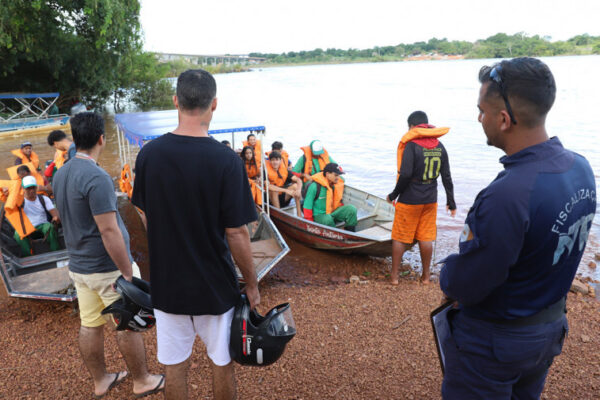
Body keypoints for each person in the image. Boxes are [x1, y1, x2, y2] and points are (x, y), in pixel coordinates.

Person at [439, 57, 596, 399]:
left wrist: (446, 272)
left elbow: (469, 284)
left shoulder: (507, 194)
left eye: (482, 110)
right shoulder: (580, 168)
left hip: (496, 344)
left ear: (504, 119)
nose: (479, 118)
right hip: (548, 330)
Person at [131, 69, 260, 400]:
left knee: (175, 366)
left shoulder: (149, 154)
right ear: (213, 104)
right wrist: (253, 283)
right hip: (214, 285)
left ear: (176, 101)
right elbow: (237, 234)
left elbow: (143, 212)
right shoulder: (226, 161)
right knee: (222, 363)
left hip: (168, 284)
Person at [53, 112, 164, 399]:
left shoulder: (62, 172)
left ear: (75, 140)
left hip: (79, 265)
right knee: (127, 324)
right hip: (105, 267)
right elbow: (109, 231)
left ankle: (101, 381)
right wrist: (126, 272)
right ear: (102, 138)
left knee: (90, 324)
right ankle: (142, 380)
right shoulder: (97, 176)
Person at [386, 111, 456, 285]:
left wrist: (393, 195)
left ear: (412, 126)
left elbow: (406, 174)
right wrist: (451, 201)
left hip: (410, 199)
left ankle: (394, 277)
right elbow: (446, 176)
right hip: (430, 199)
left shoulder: (411, 145)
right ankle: (425, 277)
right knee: (425, 237)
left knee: (400, 237)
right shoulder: (439, 146)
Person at [11, 175, 60, 256]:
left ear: (36, 187)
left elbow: (54, 213)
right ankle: (28, 257)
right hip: (27, 228)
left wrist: (56, 218)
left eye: (33, 188)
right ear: (23, 189)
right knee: (18, 234)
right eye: (28, 188)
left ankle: (56, 252)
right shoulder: (19, 202)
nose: (31, 190)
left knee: (50, 227)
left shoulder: (44, 199)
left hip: (43, 226)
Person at [303, 163, 357, 231]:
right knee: (327, 219)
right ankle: (337, 235)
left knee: (351, 209)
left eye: (339, 175)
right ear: (327, 174)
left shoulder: (333, 185)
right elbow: (307, 206)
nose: (338, 178)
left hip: (331, 213)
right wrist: (310, 225)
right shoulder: (314, 186)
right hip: (319, 216)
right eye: (336, 175)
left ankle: (350, 233)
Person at [265, 151, 302, 216]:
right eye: (273, 160)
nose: (275, 162)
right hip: (271, 200)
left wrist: (299, 190)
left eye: (277, 160)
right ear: (270, 161)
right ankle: (279, 214)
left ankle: (299, 215)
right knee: (273, 191)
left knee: (296, 186)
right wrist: (286, 190)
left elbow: (298, 180)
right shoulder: (265, 171)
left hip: (283, 198)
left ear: (280, 161)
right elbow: (268, 186)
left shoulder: (284, 171)